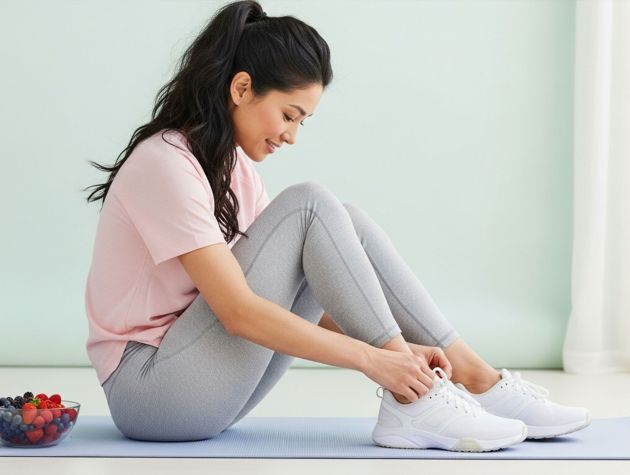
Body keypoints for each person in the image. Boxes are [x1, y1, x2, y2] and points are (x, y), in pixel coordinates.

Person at [82, 0, 590, 451]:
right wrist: (376, 361)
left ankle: (473, 376)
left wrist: (393, 350)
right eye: (289, 114)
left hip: (202, 384)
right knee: (311, 205)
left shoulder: (236, 172)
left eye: (303, 121)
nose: (292, 135)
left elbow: (296, 292)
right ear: (241, 88)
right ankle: (414, 395)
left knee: (342, 219)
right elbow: (238, 312)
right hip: (151, 393)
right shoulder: (167, 162)